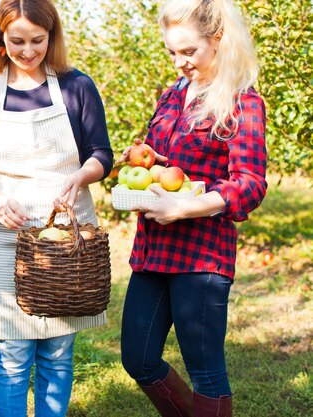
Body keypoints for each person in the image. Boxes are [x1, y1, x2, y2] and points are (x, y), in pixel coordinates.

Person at [0, 0, 113, 415]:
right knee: (10, 358)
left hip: (67, 240)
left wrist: (81, 176)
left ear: (52, 37)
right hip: (6, 235)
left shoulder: (77, 86)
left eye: (37, 41)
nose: (28, 51)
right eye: (17, 41)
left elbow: (101, 153)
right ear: (0, 40)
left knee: (58, 354)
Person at [117, 1, 267, 416]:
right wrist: (146, 161)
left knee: (205, 371)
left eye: (189, 52)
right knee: (138, 358)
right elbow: (167, 166)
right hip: (154, 249)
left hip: (202, 254)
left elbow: (250, 184)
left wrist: (184, 208)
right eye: (172, 52)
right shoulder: (171, 96)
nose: (180, 62)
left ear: (218, 40)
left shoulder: (242, 101)